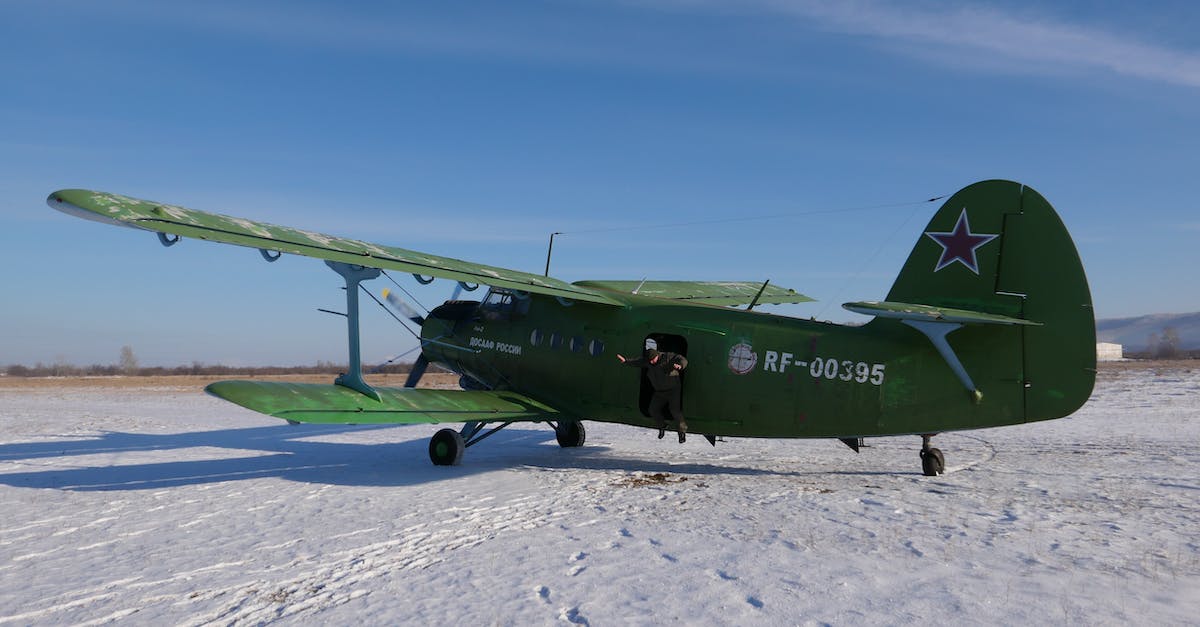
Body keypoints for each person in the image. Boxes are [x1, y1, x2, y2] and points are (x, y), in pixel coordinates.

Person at [617, 348, 689, 443]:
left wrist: (680, 365)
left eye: (652, 359)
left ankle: (682, 432)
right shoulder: (648, 361)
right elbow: (637, 362)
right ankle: (662, 426)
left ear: (657, 356)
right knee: (653, 410)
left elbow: (682, 359)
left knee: (675, 410)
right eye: (649, 360)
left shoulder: (668, 357)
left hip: (673, 390)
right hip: (660, 391)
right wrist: (626, 361)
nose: (651, 362)